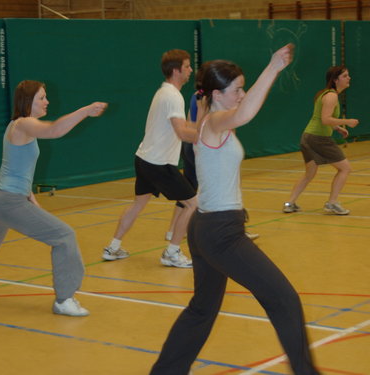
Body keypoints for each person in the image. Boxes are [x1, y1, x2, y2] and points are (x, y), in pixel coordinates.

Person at [150, 44, 320, 375]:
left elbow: (235, 118)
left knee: (202, 309)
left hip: (205, 227)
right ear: (217, 93)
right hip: (220, 232)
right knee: (284, 300)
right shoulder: (214, 121)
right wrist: (272, 67)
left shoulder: (208, 121)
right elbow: (243, 114)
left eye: (243, 88)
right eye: (237, 89)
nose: (242, 94)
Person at [0, 80, 108, 317]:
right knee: (64, 236)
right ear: (28, 101)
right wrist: (86, 111)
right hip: (8, 201)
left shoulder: (17, 126)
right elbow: (55, 130)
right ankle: (64, 299)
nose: (47, 101)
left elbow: (18, 169)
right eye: (42, 98)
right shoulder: (25, 124)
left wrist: (32, 200)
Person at [103, 49, 198, 268]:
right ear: (176, 71)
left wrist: (205, 127)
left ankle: (113, 247)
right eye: (186, 66)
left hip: (144, 159)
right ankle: (172, 253)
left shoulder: (163, 92)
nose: (190, 70)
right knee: (192, 204)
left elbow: (183, 127)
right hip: (159, 163)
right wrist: (209, 136)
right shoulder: (173, 96)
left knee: (138, 205)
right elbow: (182, 132)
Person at [165, 65, 259, 242]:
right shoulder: (203, 101)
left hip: (203, 145)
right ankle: (173, 238)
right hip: (198, 146)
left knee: (191, 192)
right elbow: (199, 126)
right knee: (192, 195)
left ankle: (173, 230)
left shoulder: (206, 99)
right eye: (237, 89)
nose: (189, 70)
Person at [283, 65, 359, 215]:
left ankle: (289, 203)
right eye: (345, 76)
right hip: (318, 138)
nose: (348, 78)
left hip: (308, 136)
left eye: (348, 75)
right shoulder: (332, 96)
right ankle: (332, 203)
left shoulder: (327, 94)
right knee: (345, 168)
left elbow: (321, 117)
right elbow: (325, 119)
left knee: (309, 174)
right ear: (336, 80)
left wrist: (337, 128)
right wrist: (347, 122)